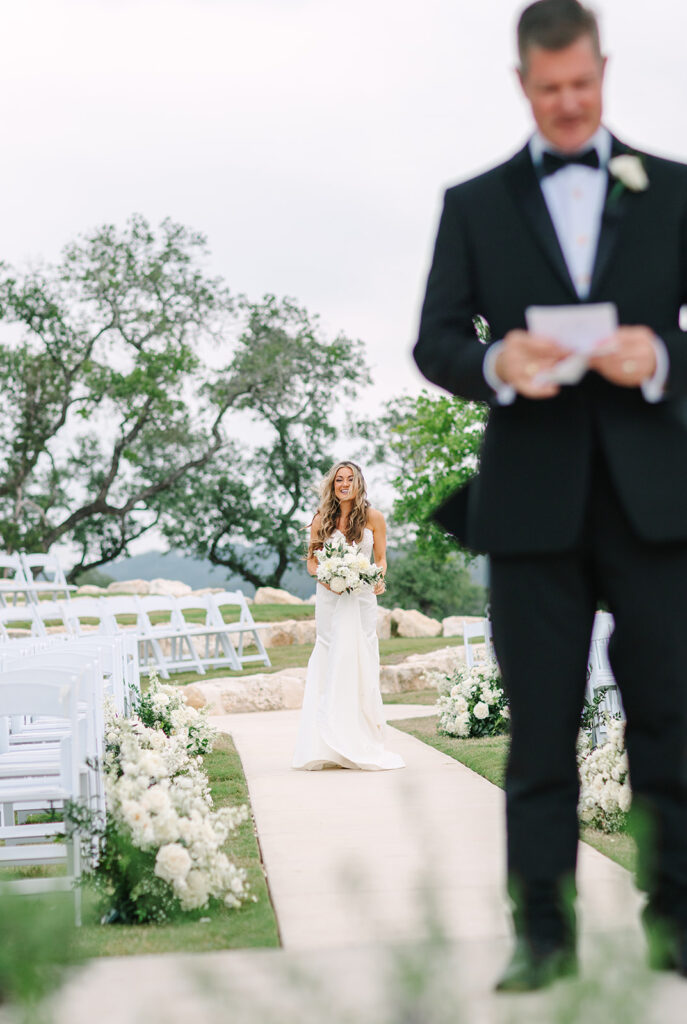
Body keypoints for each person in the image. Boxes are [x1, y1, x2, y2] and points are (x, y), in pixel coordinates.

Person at [414, 0, 687, 992]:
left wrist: (663, 353)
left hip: (658, 503)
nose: (570, 106)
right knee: (538, 731)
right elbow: (434, 338)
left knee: (670, 720)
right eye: (550, 89)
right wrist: (494, 360)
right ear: (522, 84)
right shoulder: (474, 203)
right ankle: (543, 938)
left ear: (603, 72)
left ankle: (680, 923)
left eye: (584, 86)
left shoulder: (675, 191)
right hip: (531, 507)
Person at [292, 461, 405, 772]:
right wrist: (329, 580)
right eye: (338, 479)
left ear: (359, 483)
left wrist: (378, 578)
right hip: (329, 600)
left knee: (361, 660)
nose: (344, 484)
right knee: (330, 659)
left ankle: (361, 738)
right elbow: (312, 563)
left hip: (363, 600)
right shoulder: (321, 520)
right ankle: (325, 743)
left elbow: (380, 560)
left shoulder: (374, 518)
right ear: (332, 485)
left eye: (350, 479)